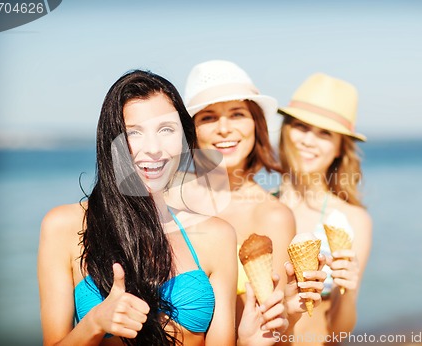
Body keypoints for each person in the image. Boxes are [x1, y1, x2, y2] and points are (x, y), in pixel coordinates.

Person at [38, 69, 281, 346]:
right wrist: (94, 324)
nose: (153, 148)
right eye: (134, 133)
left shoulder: (218, 235)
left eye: (166, 129)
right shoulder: (63, 226)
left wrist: (249, 343)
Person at [177, 60, 325, 345]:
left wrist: (292, 312)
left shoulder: (274, 216)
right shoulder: (166, 197)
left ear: (256, 124)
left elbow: (275, 327)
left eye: (237, 114)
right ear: (192, 130)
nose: (224, 128)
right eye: (208, 117)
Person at [277, 73, 373, 345]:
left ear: (341, 147)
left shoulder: (353, 220)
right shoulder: (259, 203)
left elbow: (340, 331)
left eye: (324, 133)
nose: (308, 140)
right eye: (301, 126)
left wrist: (348, 291)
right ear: (285, 130)